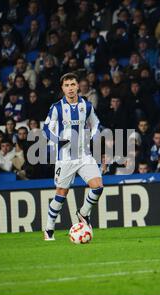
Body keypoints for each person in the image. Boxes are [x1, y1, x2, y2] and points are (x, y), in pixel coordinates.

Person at [42, 73, 103, 241]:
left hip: (84, 155)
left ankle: (83, 213)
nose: (70, 88)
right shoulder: (57, 107)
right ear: (62, 88)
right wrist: (58, 140)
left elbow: (96, 123)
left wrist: (94, 135)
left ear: (78, 86)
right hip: (65, 157)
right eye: (66, 85)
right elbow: (46, 128)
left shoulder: (87, 105)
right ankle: (48, 229)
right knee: (61, 194)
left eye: (73, 84)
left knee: (98, 186)